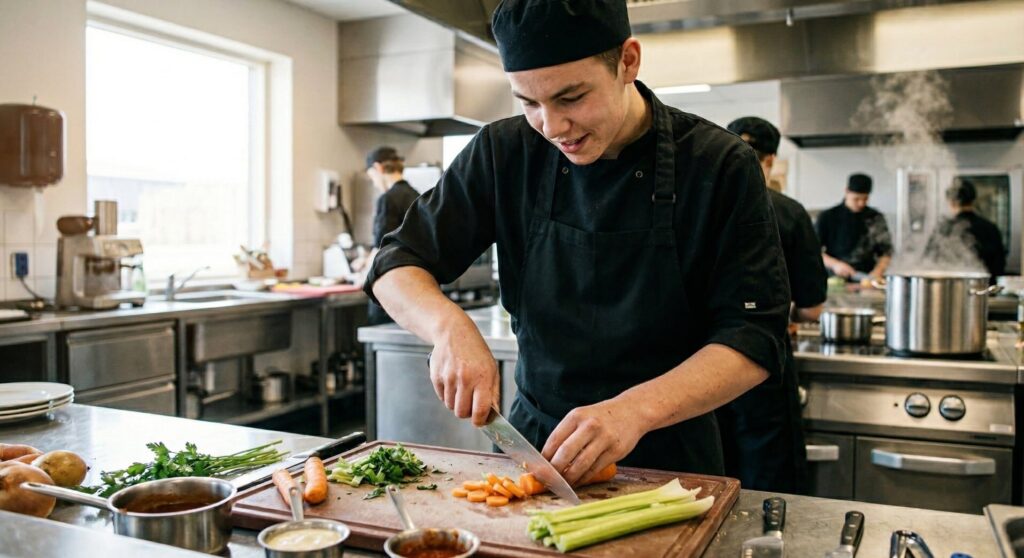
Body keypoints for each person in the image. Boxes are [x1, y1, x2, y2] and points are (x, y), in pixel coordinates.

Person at [364, 0, 790, 481]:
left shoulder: (719, 164)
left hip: (670, 456)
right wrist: (448, 329)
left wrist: (635, 410)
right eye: (529, 103)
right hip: (536, 446)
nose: (552, 127)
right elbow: (395, 264)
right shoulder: (504, 152)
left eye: (570, 98)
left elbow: (754, 337)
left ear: (628, 61)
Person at [719, 117, 827, 493]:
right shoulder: (789, 212)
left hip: (696, 367)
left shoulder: (694, 207)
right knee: (769, 478)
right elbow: (812, 309)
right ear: (771, 160)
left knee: (713, 476)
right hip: (762, 364)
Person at [365, 146, 420, 325]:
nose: (374, 183)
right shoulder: (417, 196)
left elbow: (381, 247)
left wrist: (363, 274)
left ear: (378, 168)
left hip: (391, 287)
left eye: (372, 177)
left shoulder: (387, 199)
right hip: (416, 288)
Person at [816, 173, 893, 280]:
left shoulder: (875, 218)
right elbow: (814, 251)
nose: (861, 203)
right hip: (834, 278)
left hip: (867, 278)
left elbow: (886, 253)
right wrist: (835, 264)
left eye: (865, 199)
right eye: (856, 199)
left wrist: (876, 273)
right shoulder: (827, 217)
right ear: (846, 192)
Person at [925, 178, 1006, 280]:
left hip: (950, 287)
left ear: (951, 202)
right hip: (984, 287)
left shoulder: (943, 230)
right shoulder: (990, 228)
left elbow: (929, 262)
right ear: (973, 200)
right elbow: (999, 266)